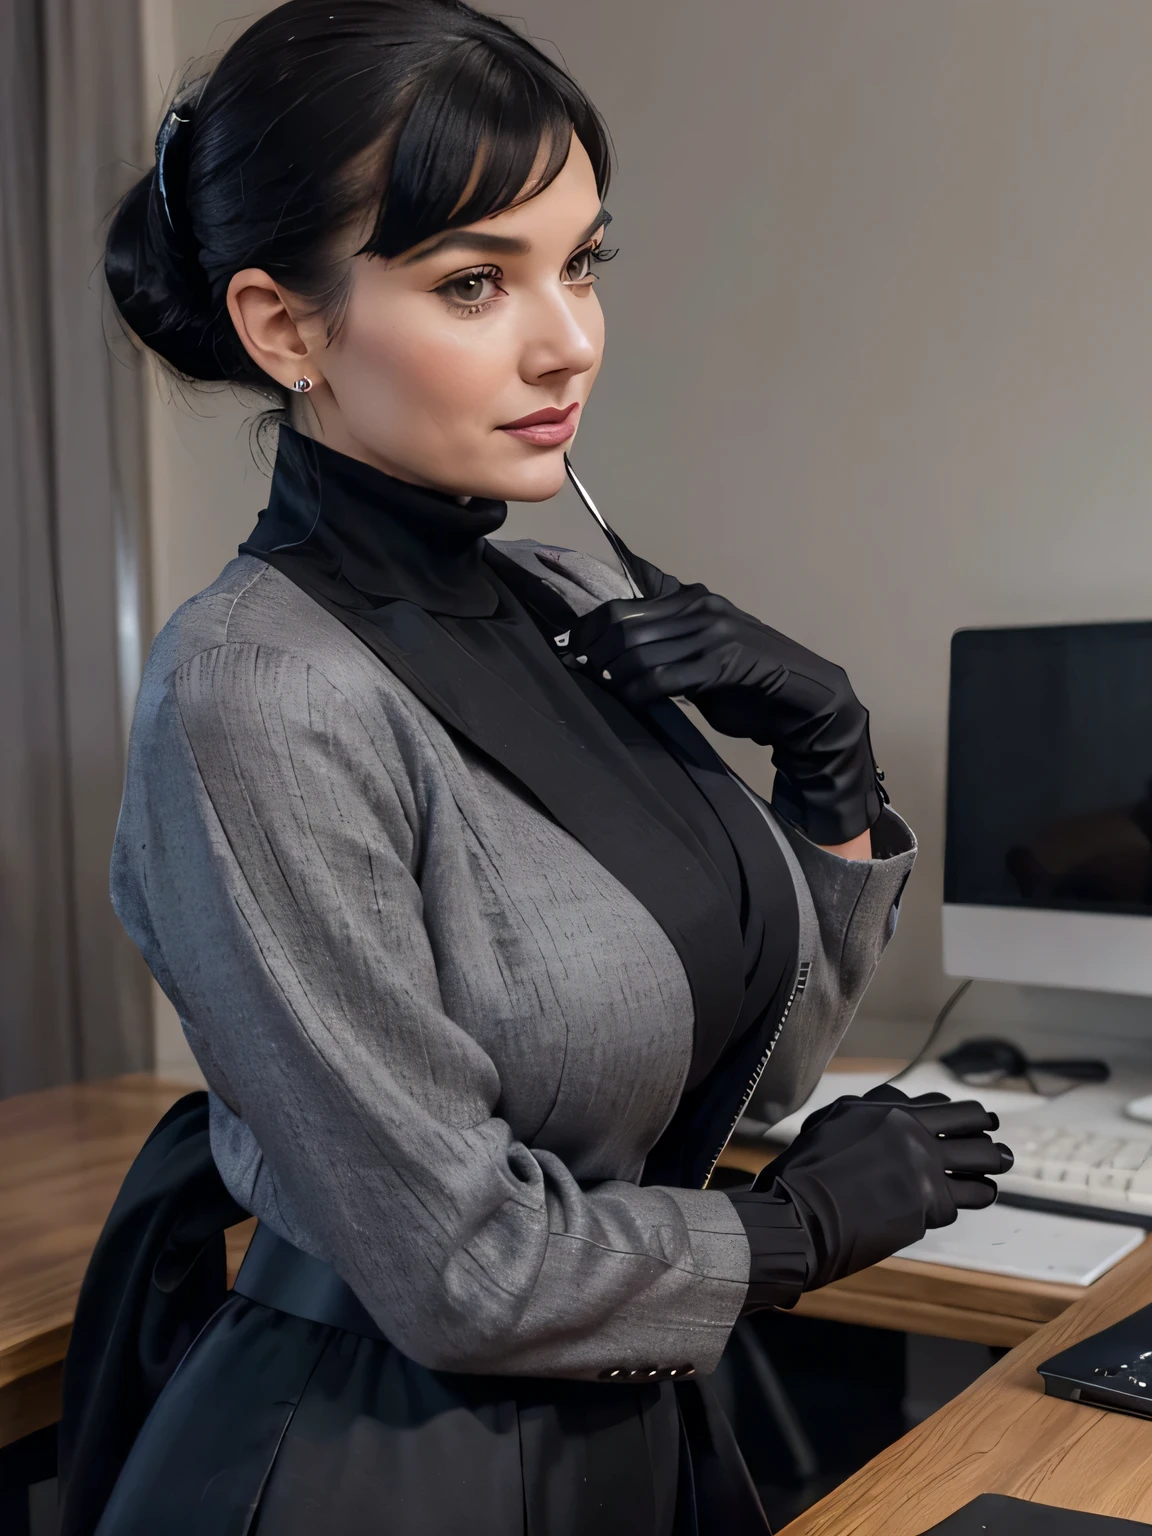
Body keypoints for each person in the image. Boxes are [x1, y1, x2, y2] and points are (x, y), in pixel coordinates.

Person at [61, 3, 1013, 1532]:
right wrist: (795, 1235)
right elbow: (463, 1265)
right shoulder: (252, 693)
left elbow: (740, 1078)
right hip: (393, 1464)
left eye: (580, 263)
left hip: (627, 1432)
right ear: (285, 327)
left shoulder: (570, 608)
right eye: (472, 281)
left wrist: (831, 767)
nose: (568, 336)